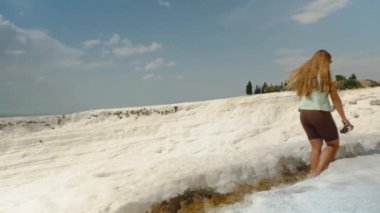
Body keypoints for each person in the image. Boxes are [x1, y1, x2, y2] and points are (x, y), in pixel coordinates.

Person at [286, 49, 352, 176]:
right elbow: (335, 97)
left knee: (316, 147)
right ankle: (317, 173)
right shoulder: (326, 73)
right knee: (333, 144)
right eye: (329, 61)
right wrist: (343, 118)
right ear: (325, 61)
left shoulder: (305, 73)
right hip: (319, 113)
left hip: (304, 114)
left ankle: (312, 175)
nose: (330, 64)